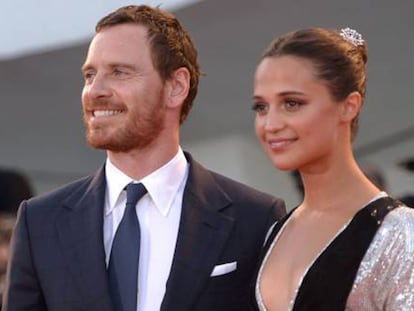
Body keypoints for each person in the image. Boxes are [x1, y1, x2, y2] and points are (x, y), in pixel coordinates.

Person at [3, 5, 286, 311]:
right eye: (89, 75)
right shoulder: (40, 222)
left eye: (119, 72)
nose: (94, 91)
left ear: (176, 87)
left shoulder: (255, 217)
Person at [250, 27, 414, 310]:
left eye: (292, 103)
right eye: (261, 107)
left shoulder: (401, 233)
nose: (271, 124)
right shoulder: (275, 231)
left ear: (348, 106)